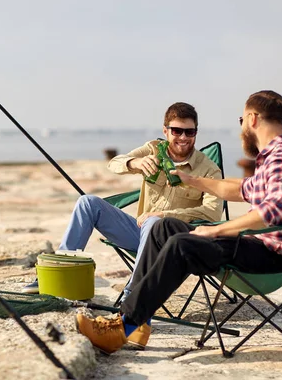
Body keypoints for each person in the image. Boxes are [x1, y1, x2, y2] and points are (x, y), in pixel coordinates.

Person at [75, 90, 282, 354]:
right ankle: (138, 321)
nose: (241, 129)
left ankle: (122, 326)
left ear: (253, 119)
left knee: (182, 245)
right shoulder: (274, 158)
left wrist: (216, 231)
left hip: (274, 256)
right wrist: (192, 181)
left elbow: (274, 213)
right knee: (164, 227)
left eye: (241, 120)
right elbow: (237, 190)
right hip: (260, 247)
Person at [22, 102, 224, 304]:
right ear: (166, 131)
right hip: (140, 234)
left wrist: (163, 215)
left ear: (196, 133)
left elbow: (212, 213)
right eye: (177, 131)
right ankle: (57, 273)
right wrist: (134, 163)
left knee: (154, 223)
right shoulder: (154, 149)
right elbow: (114, 163)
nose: (183, 137)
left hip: (176, 244)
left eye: (189, 132)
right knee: (87, 202)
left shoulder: (209, 170)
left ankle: (133, 297)